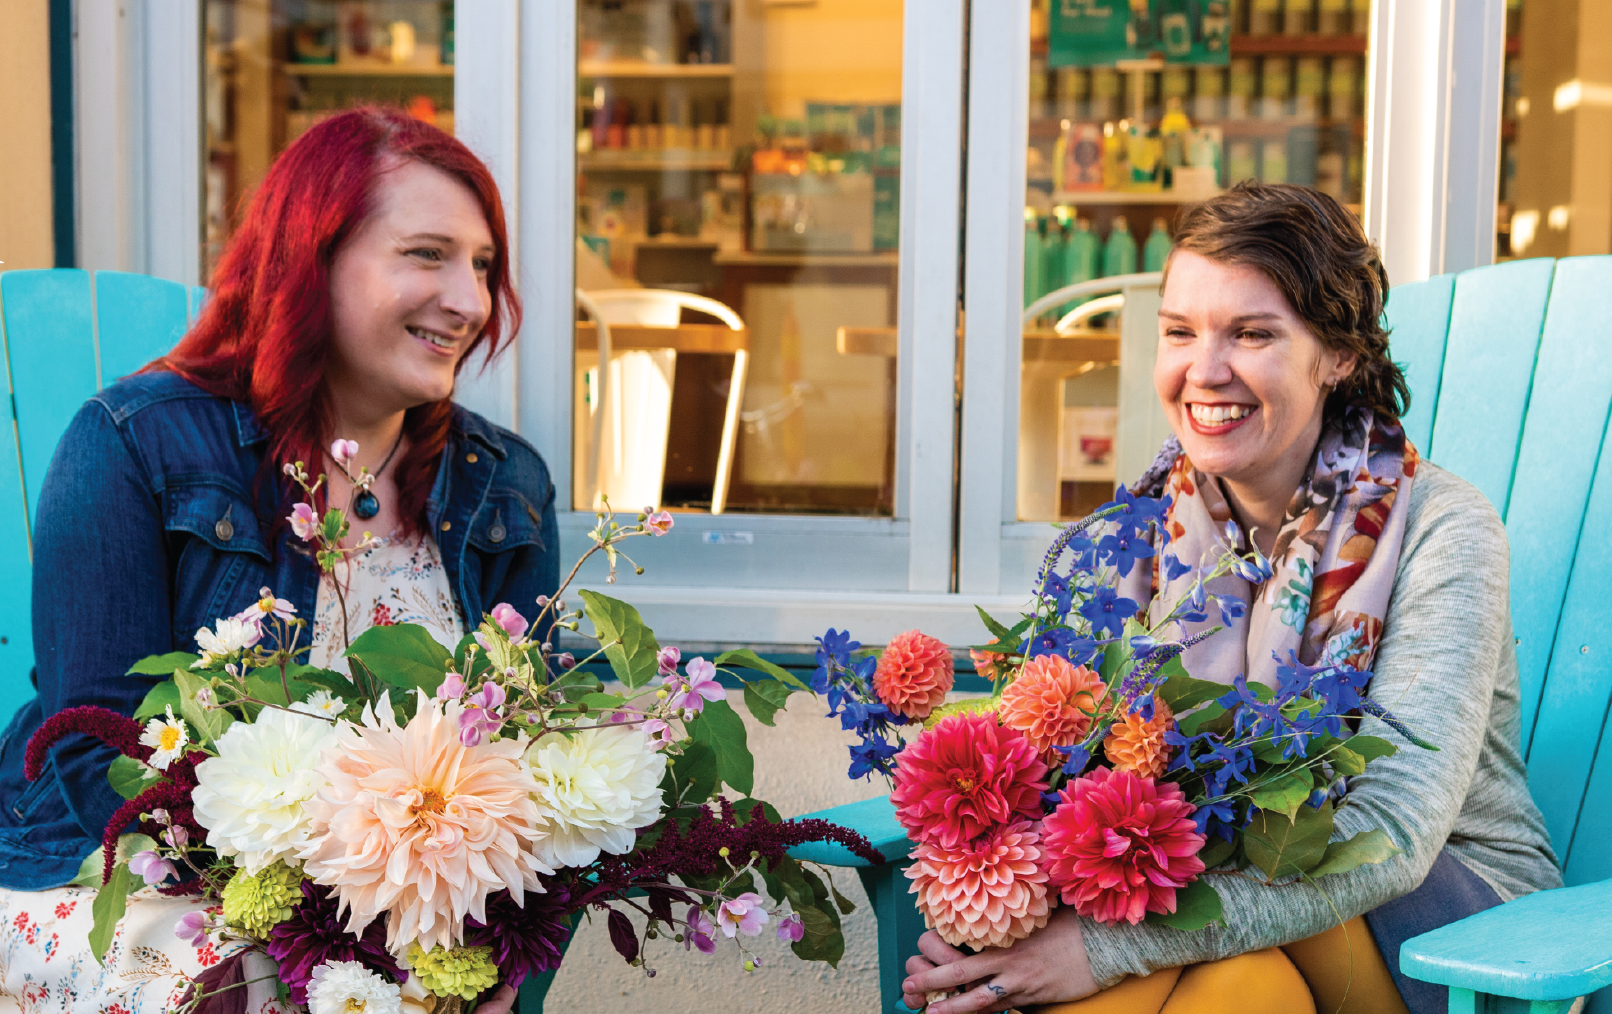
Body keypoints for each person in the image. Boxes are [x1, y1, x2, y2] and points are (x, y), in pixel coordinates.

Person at [901, 183, 1561, 1014]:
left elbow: (1391, 837)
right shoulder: (1137, 538)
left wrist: (1104, 949)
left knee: (1230, 901)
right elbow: (1060, 777)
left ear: (1340, 355)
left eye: (1253, 334)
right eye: (1180, 332)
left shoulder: (1440, 530)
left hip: (1444, 936)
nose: (1203, 371)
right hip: (1234, 928)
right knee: (1245, 988)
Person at [0, 107, 556, 1013]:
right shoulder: (132, 446)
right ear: (312, 260)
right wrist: (312, 945)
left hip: (391, 925)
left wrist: (516, 949)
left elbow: (545, 757)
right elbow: (97, 749)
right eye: (427, 254)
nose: (470, 300)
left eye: (483, 265)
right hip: (122, 890)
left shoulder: (502, 487)